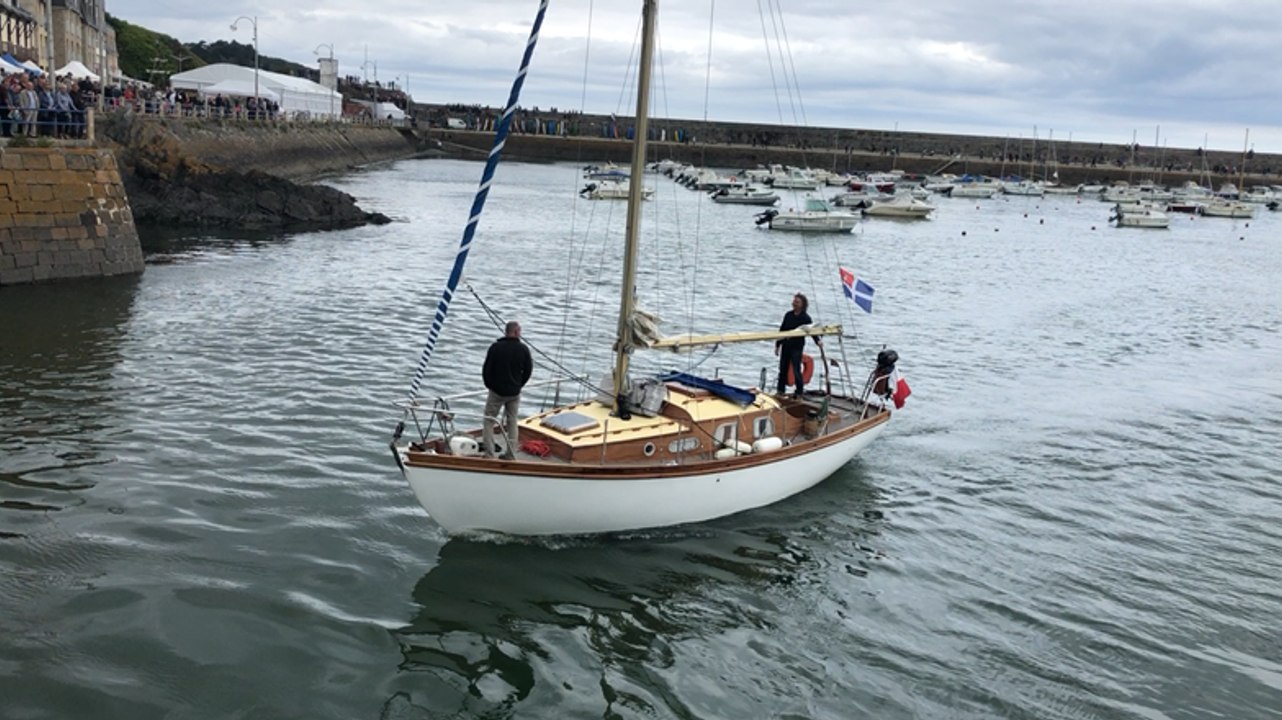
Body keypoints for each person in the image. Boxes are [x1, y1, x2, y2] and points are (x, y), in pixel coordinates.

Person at [482, 320, 533, 459]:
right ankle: (511, 453)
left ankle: (489, 453)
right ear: (516, 332)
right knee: (512, 421)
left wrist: (490, 385)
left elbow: (487, 369)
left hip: (496, 392)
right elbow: (528, 370)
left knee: (489, 420)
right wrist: (519, 385)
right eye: (520, 331)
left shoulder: (495, 347)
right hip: (514, 392)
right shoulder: (523, 349)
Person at [775, 292, 820, 397]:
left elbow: (811, 330)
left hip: (796, 347)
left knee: (796, 369)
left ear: (802, 304)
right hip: (786, 345)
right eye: (794, 301)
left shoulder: (805, 318)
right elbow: (782, 330)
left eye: (797, 302)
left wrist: (818, 341)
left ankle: (799, 391)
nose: (794, 303)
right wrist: (778, 344)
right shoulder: (788, 315)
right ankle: (780, 391)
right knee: (782, 369)